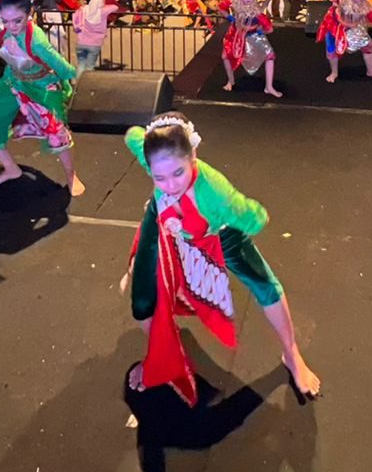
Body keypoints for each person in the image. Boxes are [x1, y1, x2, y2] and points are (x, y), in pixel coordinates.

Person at [119, 112, 321, 404]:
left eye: (178, 173)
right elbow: (133, 137)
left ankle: (291, 352)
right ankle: (162, 352)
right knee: (141, 298)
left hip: (217, 233)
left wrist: (247, 216)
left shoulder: (214, 192)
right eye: (159, 177)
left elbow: (252, 216)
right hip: (167, 228)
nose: (171, 185)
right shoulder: (149, 155)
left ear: (194, 156)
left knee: (264, 285)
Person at [0, 0, 84, 194]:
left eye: (17, 20)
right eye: (6, 20)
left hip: (41, 87)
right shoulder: (6, 32)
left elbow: (62, 67)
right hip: (12, 82)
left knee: (56, 134)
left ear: (30, 13)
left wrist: (83, 73)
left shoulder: (37, 41)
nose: (11, 26)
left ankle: (71, 175)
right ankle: (11, 169)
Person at [221, 0, 281, 97]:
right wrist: (231, 18)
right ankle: (230, 81)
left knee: (270, 56)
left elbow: (269, 29)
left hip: (254, 37)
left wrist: (259, 31)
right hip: (236, 35)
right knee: (225, 56)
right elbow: (221, 7)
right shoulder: (235, 4)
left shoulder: (258, 12)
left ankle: (269, 86)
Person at [318, 0, 372, 83]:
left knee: (368, 45)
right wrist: (347, 24)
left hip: (355, 27)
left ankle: (370, 70)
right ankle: (334, 72)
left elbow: (370, 14)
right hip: (336, 27)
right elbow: (337, 14)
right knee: (332, 48)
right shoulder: (343, 0)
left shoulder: (364, 3)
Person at [72, 0, 119, 76]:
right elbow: (115, 7)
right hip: (94, 44)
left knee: (81, 64)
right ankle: (85, 85)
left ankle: (77, 83)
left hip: (81, 42)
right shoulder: (103, 11)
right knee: (90, 67)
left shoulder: (84, 9)